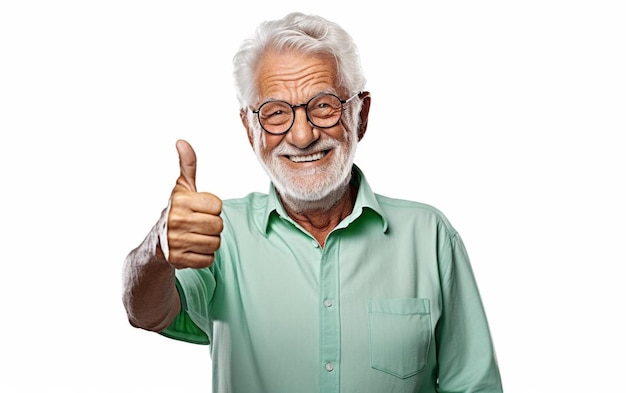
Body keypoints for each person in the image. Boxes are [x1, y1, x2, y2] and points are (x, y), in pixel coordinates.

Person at [122, 12, 503, 393]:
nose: (302, 136)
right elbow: (147, 313)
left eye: (323, 106)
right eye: (275, 113)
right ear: (249, 128)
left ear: (361, 115)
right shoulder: (221, 234)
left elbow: (473, 386)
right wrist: (158, 248)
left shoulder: (429, 235)